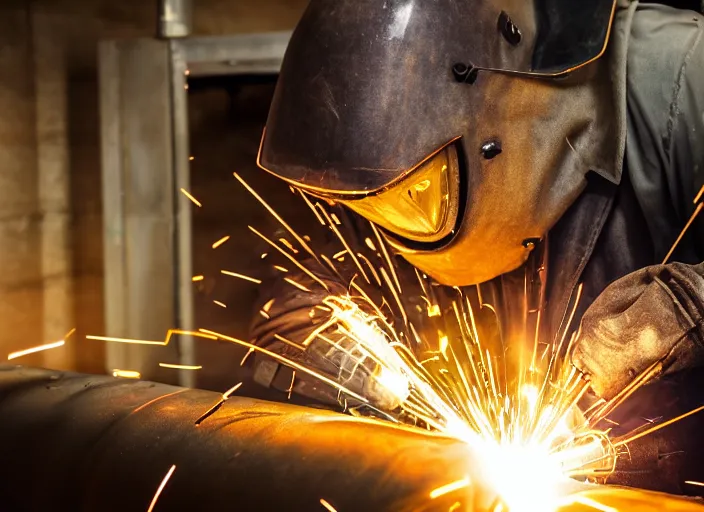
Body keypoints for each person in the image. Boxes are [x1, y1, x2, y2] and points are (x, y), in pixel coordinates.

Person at [248, 0, 704, 494]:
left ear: (491, 117)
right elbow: (293, 297)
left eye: (415, 195)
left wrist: (694, 301)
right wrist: (346, 362)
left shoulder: (684, 79)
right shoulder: (373, 148)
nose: (391, 222)